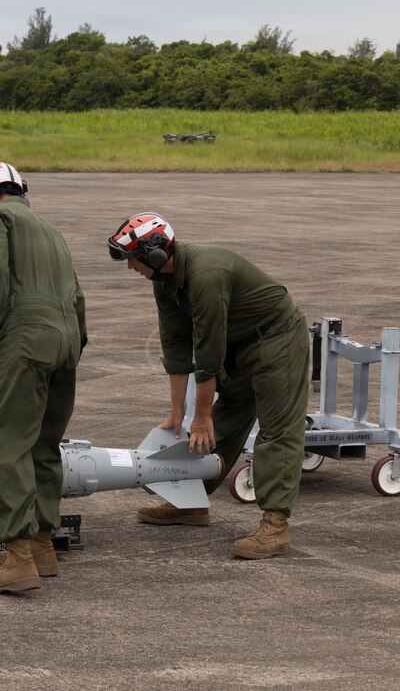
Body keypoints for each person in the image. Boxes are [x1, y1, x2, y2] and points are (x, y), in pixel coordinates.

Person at [107, 212, 309, 559]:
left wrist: (200, 416)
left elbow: (208, 353)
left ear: (156, 253)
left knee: (276, 430)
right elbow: (175, 347)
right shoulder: (163, 281)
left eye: (134, 259)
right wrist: (177, 412)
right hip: (240, 344)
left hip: (277, 338)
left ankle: (276, 526)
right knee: (225, 418)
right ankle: (192, 504)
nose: (131, 268)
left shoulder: (206, 274)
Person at [0, 162, 87, 593]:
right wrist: (74, 346)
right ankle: (42, 546)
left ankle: (16, 558)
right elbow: (77, 294)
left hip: (27, 338)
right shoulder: (50, 228)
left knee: (9, 444)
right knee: (45, 445)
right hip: (67, 342)